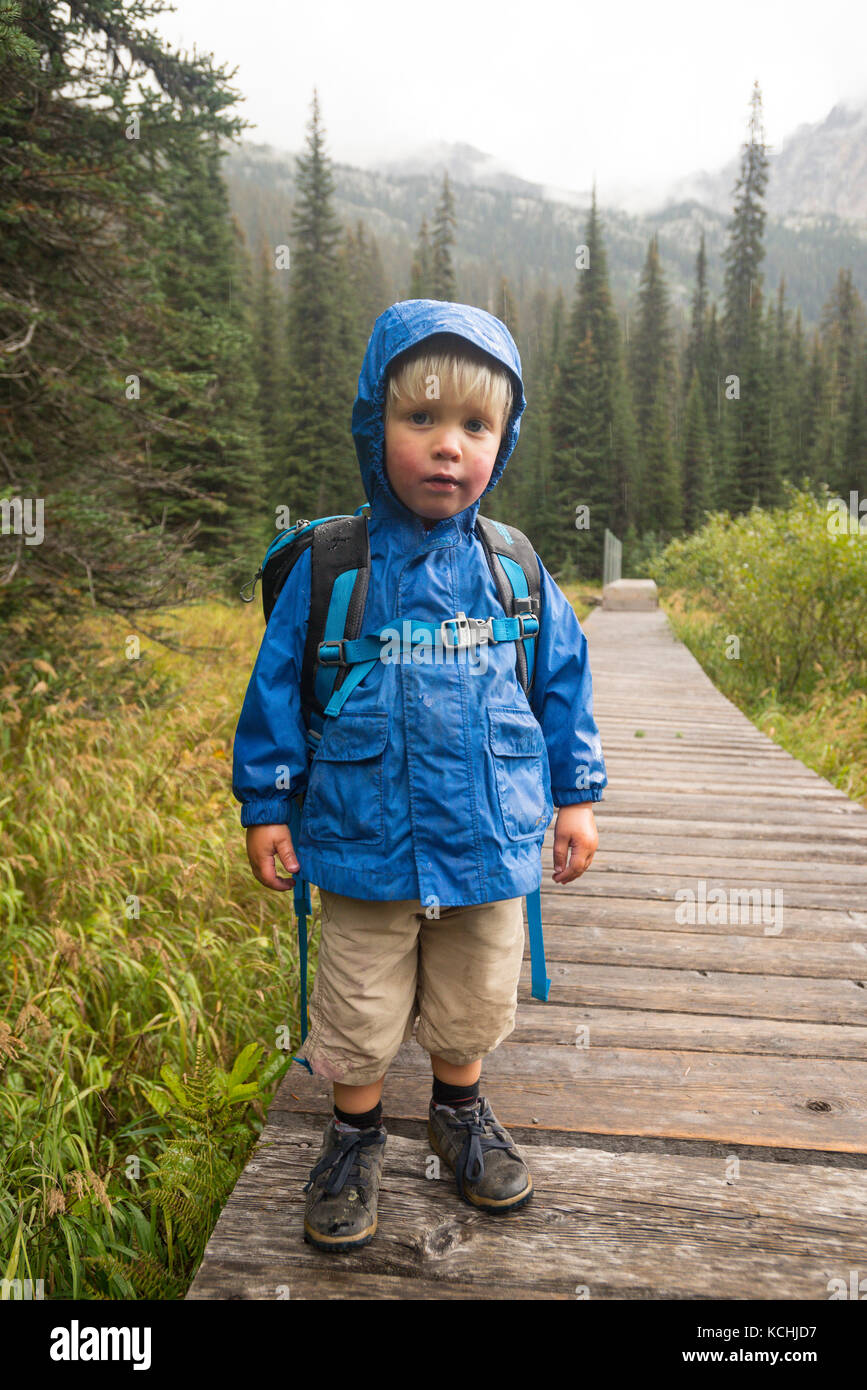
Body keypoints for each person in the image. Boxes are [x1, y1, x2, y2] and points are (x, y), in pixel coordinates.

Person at [232, 298, 607, 1252]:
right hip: (359, 838)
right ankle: (355, 1134)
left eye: (474, 427)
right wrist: (268, 804)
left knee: (475, 993)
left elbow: (560, 685)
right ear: (376, 425)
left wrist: (576, 797)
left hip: (489, 836)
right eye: (421, 420)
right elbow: (277, 689)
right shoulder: (332, 567)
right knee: (357, 1003)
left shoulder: (514, 569)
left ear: (502, 440)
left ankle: (458, 1111)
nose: (448, 447)